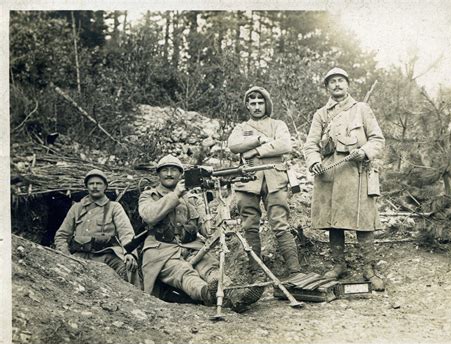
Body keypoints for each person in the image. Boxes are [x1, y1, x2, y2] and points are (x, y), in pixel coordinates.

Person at [138, 154, 263, 311]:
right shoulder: (149, 195)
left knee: (211, 268)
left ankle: (233, 293)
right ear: (158, 174)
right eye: (165, 170)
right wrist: (176, 194)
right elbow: (149, 216)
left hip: (192, 247)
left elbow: (206, 229)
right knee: (184, 273)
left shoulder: (191, 199)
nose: (169, 174)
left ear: (181, 174)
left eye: (173, 170)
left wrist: (221, 214)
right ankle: (210, 295)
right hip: (161, 252)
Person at [303, 67, 385, 291]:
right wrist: (313, 161)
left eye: (341, 80)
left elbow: (378, 139)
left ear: (348, 84)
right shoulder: (321, 114)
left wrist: (365, 151)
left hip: (357, 170)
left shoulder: (362, 109)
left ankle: (369, 269)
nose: (337, 85)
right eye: (332, 82)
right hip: (330, 171)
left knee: (364, 220)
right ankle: (338, 265)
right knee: (333, 220)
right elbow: (310, 144)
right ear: (327, 87)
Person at [228, 86, 301, 281]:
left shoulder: (278, 125)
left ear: (267, 104)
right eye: (253, 103)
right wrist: (259, 139)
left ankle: (294, 271)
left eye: (261, 103)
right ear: (247, 106)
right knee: (249, 225)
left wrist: (255, 152)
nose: (257, 106)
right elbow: (234, 145)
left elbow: (285, 145)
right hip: (248, 180)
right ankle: (256, 272)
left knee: (280, 223)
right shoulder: (241, 128)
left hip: (274, 179)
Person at [55, 169, 139, 284]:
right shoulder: (77, 208)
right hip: (79, 256)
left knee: (128, 267)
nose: (95, 187)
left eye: (99, 183)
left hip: (105, 256)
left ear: (105, 187)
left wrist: (129, 253)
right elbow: (62, 235)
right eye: (91, 184)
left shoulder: (114, 207)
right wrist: (66, 255)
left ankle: (132, 299)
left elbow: (126, 233)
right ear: (87, 187)